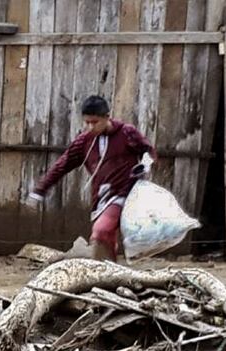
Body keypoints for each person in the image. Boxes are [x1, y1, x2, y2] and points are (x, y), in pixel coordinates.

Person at [28, 95, 157, 261]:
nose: (90, 127)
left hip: (124, 194)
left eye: (95, 122)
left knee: (101, 231)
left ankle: (103, 271)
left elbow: (148, 150)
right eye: (87, 122)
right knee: (106, 238)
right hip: (100, 198)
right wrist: (40, 190)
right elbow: (62, 165)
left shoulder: (126, 133)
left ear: (106, 117)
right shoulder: (84, 141)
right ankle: (110, 274)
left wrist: (145, 164)